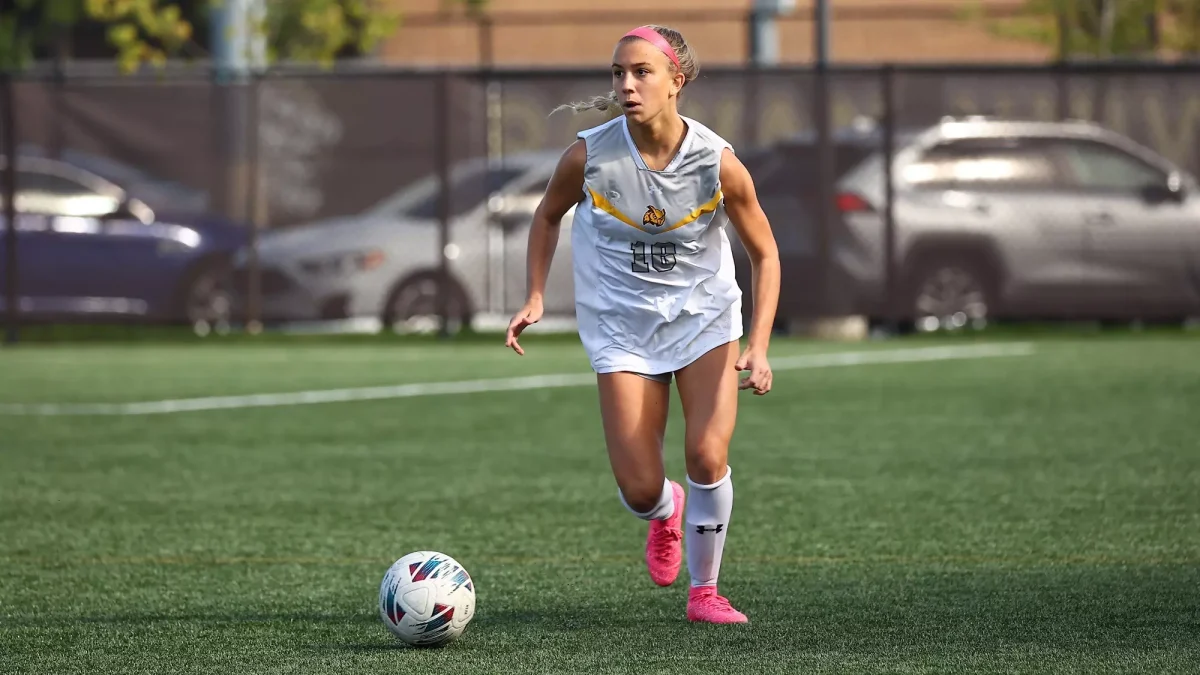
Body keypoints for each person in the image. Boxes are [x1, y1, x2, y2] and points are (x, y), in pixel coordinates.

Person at [504, 24, 780, 625]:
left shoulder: (717, 161)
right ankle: (665, 512)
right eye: (618, 74)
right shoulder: (588, 154)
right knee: (637, 488)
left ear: (676, 81)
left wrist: (758, 345)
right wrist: (533, 296)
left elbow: (764, 253)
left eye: (642, 72)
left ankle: (705, 592)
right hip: (621, 328)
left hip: (703, 318)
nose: (627, 85)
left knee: (707, 452)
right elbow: (547, 217)